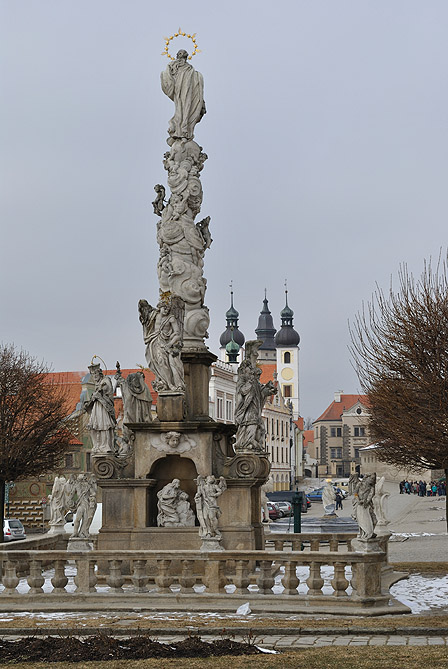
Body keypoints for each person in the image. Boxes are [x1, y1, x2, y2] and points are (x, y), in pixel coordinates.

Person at [161, 49, 206, 141]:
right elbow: (168, 75)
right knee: (181, 109)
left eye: (183, 53)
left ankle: (185, 131)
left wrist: (202, 101)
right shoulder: (173, 65)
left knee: (188, 108)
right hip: (179, 90)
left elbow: (195, 84)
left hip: (189, 90)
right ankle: (180, 130)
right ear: (177, 55)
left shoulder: (191, 69)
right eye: (180, 53)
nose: (181, 55)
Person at [83, 363, 116, 455]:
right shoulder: (97, 384)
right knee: (94, 426)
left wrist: (101, 391)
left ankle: (106, 446)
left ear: (100, 373)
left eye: (95, 374)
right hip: (96, 407)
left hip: (103, 407)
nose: (94, 377)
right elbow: (94, 396)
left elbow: (108, 391)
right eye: (92, 375)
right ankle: (97, 446)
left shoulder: (106, 380)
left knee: (104, 425)